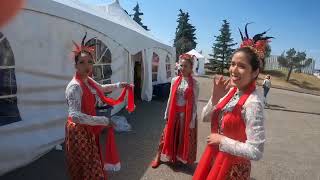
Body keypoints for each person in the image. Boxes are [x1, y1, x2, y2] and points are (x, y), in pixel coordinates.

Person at [193, 24, 272, 180]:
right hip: (213, 159)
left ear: (255, 72)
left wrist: (222, 140)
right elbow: (204, 118)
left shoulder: (253, 103)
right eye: (232, 64)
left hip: (232, 169)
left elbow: (256, 151)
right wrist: (215, 97)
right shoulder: (231, 91)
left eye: (242, 66)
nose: (234, 70)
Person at [65, 33, 134, 180]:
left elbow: (101, 88)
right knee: (86, 165)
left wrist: (119, 85)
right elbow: (75, 116)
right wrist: (103, 120)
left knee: (91, 162)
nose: (87, 66)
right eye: (82, 62)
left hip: (87, 126)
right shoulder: (74, 87)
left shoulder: (87, 80)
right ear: (75, 65)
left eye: (90, 62)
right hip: (78, 131)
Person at [151, 53, 199, 168]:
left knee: (182, 137)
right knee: (165, 134)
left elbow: (195, 103)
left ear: (191, 68)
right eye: (181, 66)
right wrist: (167, 113)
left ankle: (177, 157)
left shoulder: (195, 84)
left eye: (185, 66)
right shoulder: (174, 80)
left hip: (186, 115)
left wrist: (192, 120)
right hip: (173, 112)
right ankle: (158, 156)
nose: (182, 68)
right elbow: (170, 98)